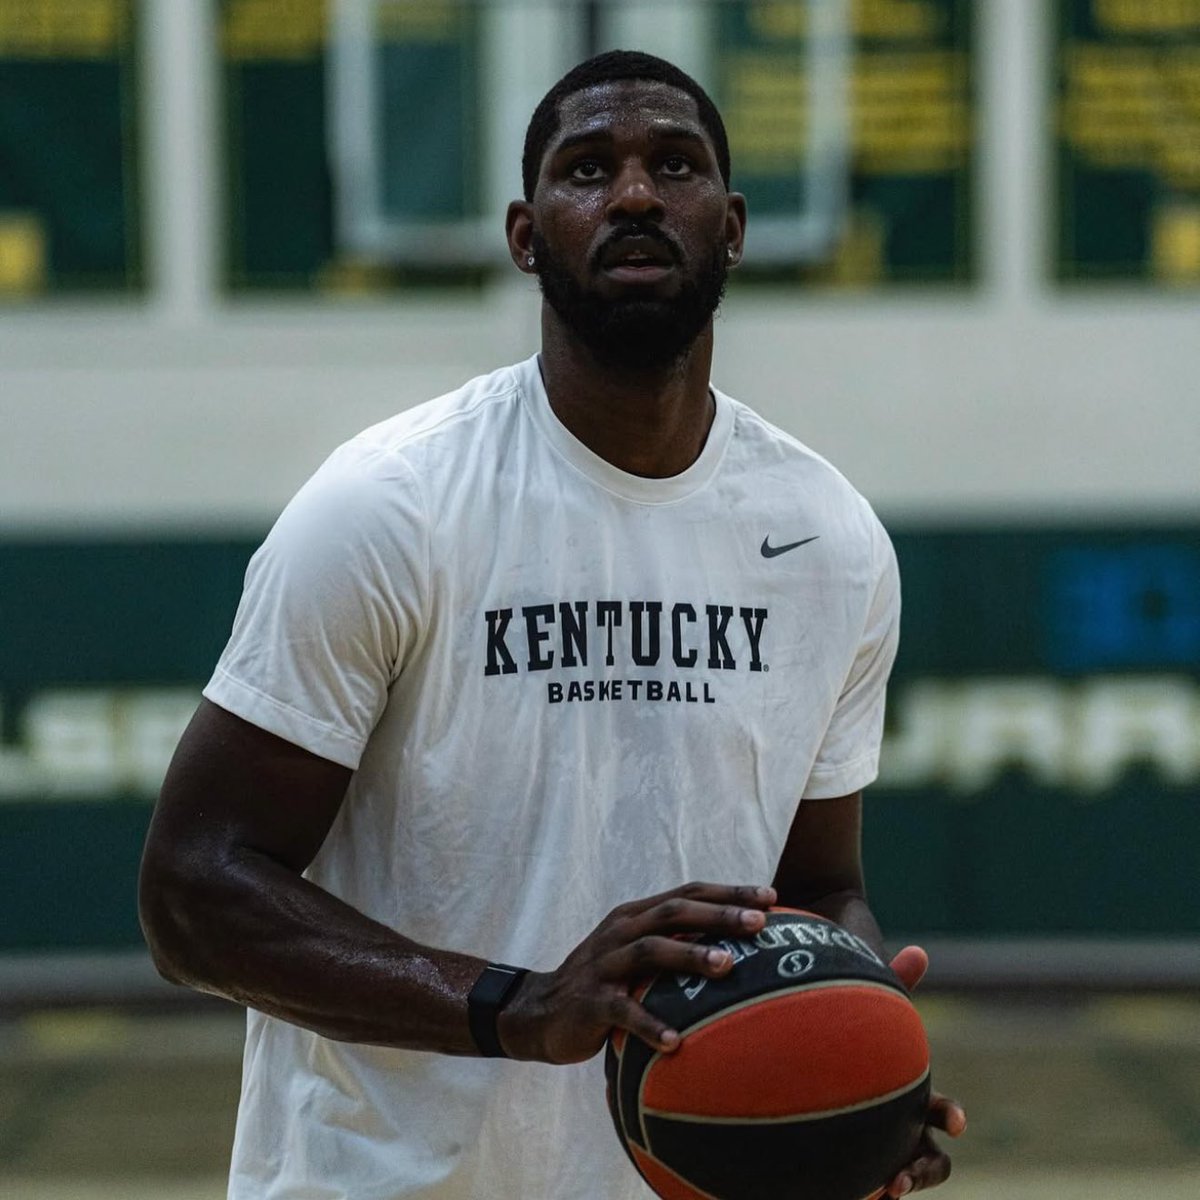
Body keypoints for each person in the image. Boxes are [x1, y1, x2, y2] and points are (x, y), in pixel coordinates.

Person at [140, 50, 965, 1200]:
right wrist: (515, 1007)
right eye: (590, 169)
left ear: (731, 227)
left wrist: (846, 1049)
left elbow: (818, 886)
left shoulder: (828, 538)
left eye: (673, 165)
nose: (634, 194)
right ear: (528, 236)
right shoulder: (390, 505)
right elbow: (192, 892)